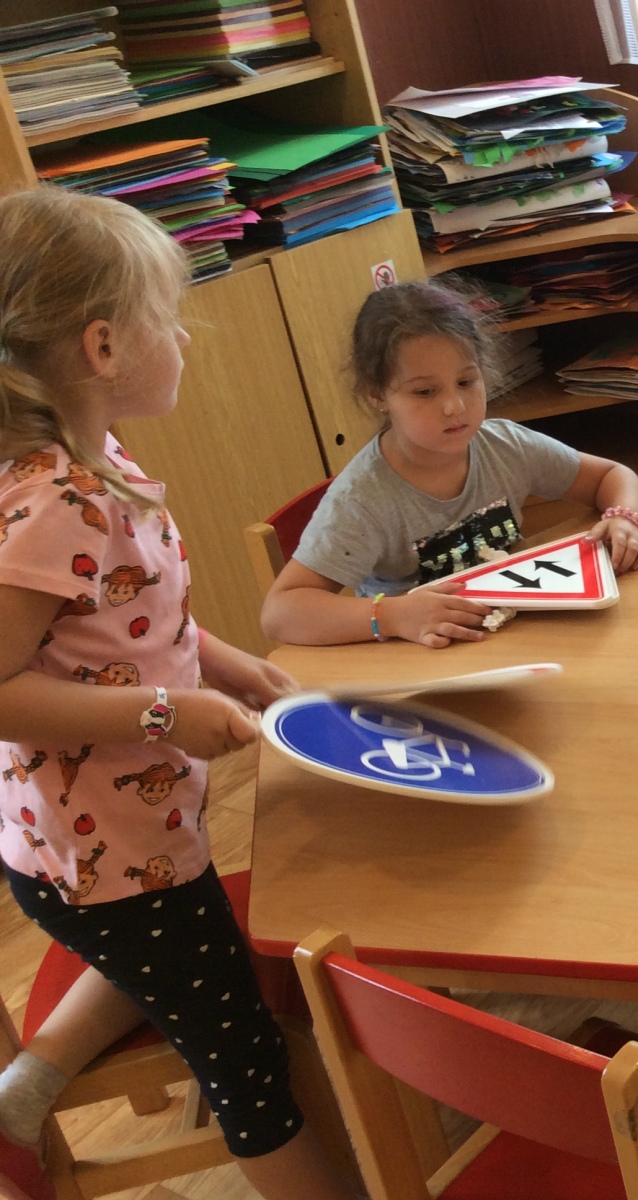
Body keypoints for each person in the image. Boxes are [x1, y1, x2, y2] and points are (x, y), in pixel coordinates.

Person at [0, 187, 352, 1199]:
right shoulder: (54, 502)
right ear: (105, 347)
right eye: (171, 316)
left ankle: (30, 1080)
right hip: (108, 857)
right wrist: (162, 714)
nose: (187, 337)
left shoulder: (94, 464)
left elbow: (127, 623)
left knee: (172, 961)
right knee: (249, 1069)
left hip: (121, 842)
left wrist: (228, 663)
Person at [262, 279, 638, 647]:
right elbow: (281, 613)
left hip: (510, 636)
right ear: (377, 395)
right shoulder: (361, 500)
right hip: (420, 657)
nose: (454, 406)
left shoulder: (505, 446)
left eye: (466, 382)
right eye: (425, 392)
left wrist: (625, 519)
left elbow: (611, 476)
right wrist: (394, 616)